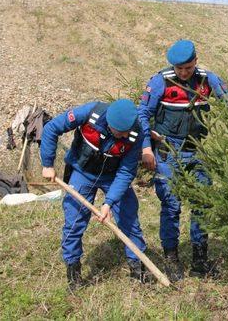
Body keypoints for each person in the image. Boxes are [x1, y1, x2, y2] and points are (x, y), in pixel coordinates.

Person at [138, 39, 228, 281]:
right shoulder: (160, 81)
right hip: (168, 151)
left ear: (195, 61)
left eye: (187, 68)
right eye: (179, 68)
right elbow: (142, 114)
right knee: (171, 205)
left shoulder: (206, 79)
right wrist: (147, 148)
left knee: (203, 202)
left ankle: (200, 260)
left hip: (198, 149)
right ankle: (172, 259)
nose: (183, 73)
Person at [40, 99, 148, 289]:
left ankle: (137, 270)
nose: (124, 136)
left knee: (129, 219)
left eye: (127, 132)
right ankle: (73, 273)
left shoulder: (136, 133)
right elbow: (51, 128)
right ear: (108, 123)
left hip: (113, 177)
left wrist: (109, 202)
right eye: (119, 132)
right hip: (82, 172)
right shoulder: (90, 113)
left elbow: (126, 172)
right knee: (74, 221)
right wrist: (48, 164)